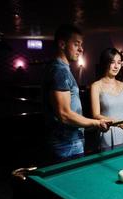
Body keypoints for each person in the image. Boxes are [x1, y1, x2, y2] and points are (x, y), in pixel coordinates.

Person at [42, 24, 110, 164]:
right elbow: (64, 114)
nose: (81, 49)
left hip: (71, 141)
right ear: (62, 44)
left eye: (81, 44)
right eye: (76, 44)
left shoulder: (63, 69)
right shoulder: (59, 70)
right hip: (65, 144)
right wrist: (96, 122)